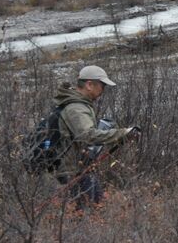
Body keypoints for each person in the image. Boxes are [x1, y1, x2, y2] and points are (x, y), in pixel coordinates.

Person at [54, 64, 136, 207]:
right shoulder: (76, 108)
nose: (103, 90)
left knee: (96, 207)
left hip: (80, 170)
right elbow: (88, 136)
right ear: (89, 85)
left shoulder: (81, 105)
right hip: (71, 173)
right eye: (102, 86)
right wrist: (122, 133)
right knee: (83, 215)